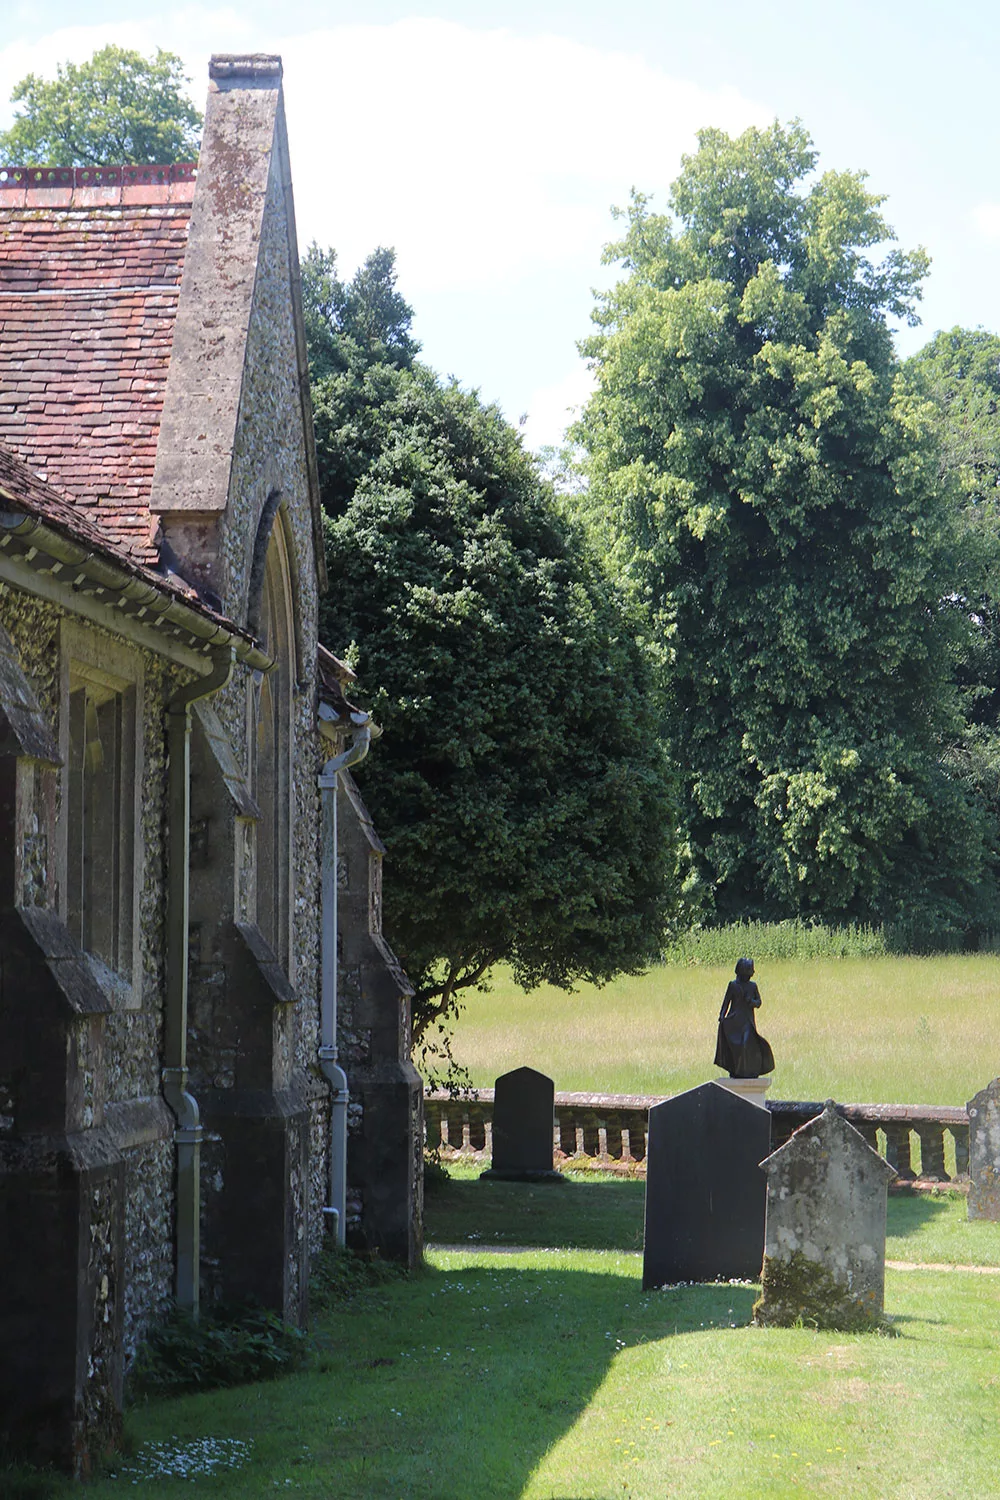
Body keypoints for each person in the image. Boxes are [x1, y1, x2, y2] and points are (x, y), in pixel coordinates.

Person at [714, 957, 775, 1079]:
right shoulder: (733, 985)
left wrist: (751, 1001)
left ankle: (748, 1070)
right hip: (734, 1020)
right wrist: (722, 1016)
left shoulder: (752, 986)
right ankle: (736, 1070)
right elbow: (726, 1002)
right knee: (735, 1046)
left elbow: (758, 1002)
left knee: (746, 1043)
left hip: (747, 1021)